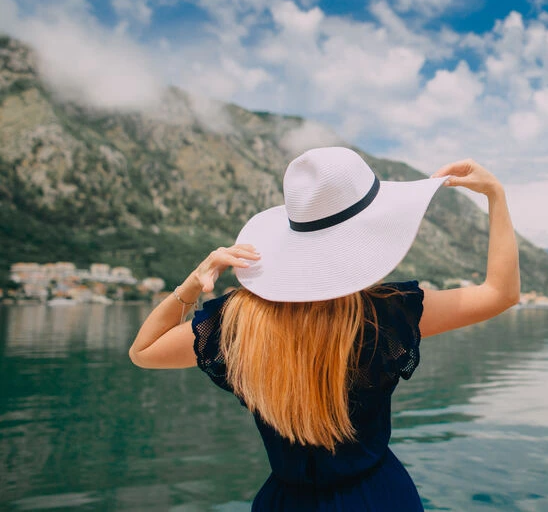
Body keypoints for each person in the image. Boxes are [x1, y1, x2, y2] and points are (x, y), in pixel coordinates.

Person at [128, 147, 520, 509]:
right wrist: (495, 197)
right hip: (379, 498)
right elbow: (500, 293)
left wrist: (193, 283)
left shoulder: (237, 325)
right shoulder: (383, 315)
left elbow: (143, 352)